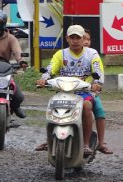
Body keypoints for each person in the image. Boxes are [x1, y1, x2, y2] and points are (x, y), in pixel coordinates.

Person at [36, 25, 113, 155]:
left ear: (84, 39)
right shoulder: (61, 54)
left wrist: (97, 83)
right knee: (52, 105)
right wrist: (43, 79)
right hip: (64, 91)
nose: (75, 40)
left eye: (78, 37)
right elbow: (51, 68)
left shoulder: (92, 54)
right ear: (67, 38)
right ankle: (50, 139)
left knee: (87, 106)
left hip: (85, 92)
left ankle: (86, 144)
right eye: (72, 37)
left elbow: (98, 71)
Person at [0, 10, 27, 118]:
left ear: (3, 24)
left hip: (4, 68)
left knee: (19, 96)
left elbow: (17, 51)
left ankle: (16, 107)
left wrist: (21, 60)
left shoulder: (11, 38)